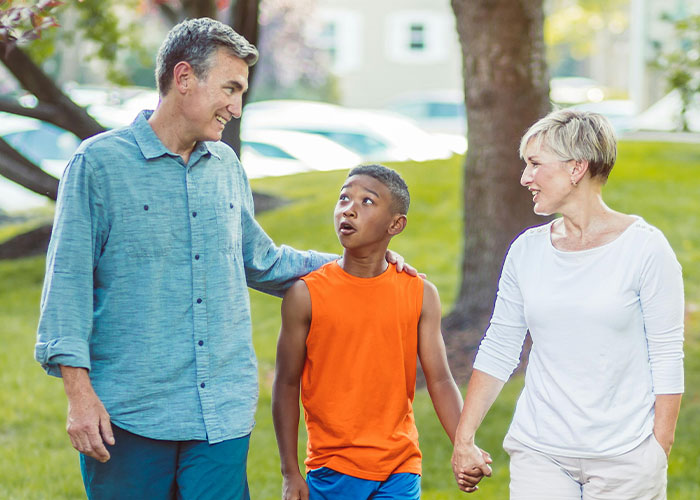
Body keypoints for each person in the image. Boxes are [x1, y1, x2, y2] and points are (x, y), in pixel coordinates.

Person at [35, 18, 413, 500]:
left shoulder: (226, 166)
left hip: (221, 414)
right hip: (129, 415)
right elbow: (66, 287)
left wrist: (360, 267)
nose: (236, 107)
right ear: (184, 77)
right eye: (230, 89)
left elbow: (261, 260)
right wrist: (79, 395)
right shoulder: (99, 165)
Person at [451, 109, 685, 499]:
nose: (525, 177)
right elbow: (500, 345)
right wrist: (464, 439)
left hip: (625, 457)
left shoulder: (645, 248)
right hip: (540, 451)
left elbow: (666, 353)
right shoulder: (526, 250)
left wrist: (657, 450)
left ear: (577, 167)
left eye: (535, 164)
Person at [272, 164, 471, 500]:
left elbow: (439, 379)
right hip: (331, 469)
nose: (348, 208)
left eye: (367, 202)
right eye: (344, 198)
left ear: (396, 224)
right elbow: (287, 383)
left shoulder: (421, 294)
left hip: (400, 467)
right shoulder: (305, 295)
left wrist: (464, 445)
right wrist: (290, 472)